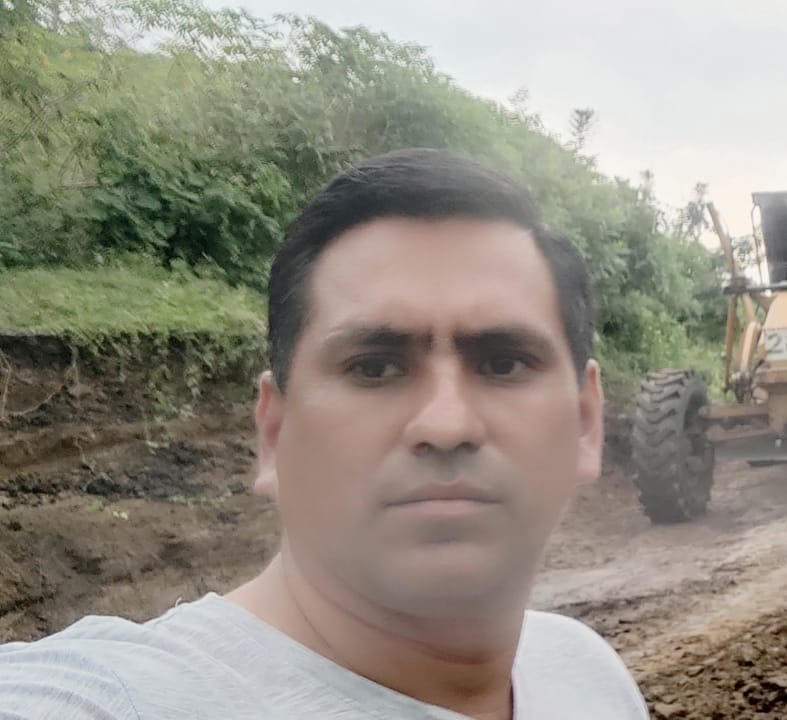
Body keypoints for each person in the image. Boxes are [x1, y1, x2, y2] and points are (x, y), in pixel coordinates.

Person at [0, 149, 651, 719]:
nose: (446, 424)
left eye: (503, 363)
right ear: (274, 433)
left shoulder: (586, 672)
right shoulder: (117, 698)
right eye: (374, 368)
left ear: (585, 425)